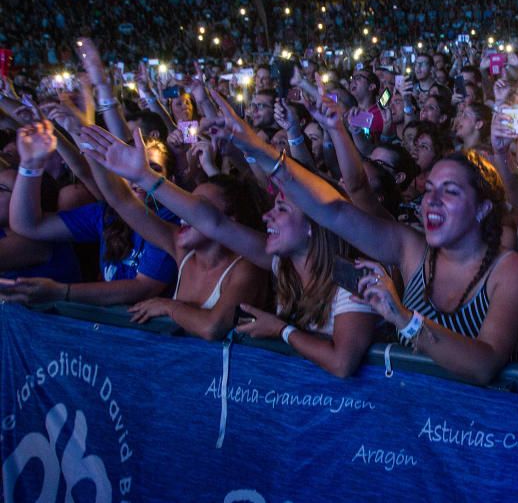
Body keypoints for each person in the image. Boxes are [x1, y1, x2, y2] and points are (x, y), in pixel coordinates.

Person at [216, 90, 518, 386]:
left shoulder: (510, 270)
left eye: (450, 191)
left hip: (477, 430)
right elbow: (334, 212)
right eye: (428, 190)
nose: (432, 200)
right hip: (408, 421)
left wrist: (403, 318)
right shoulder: (413, 251)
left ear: (483, 209)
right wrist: (259, 150)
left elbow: (485, 364)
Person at [79, 112, 377, 378]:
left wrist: (282, 331)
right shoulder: (283, 266)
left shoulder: (353, 278)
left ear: (314, 225)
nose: (267, 216)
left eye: (282, 210)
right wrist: (145, 178)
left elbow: (342, 363)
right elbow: (214, 224)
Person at [78, 128, 268, 340]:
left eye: (196, 208)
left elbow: (213, 327)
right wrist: (82, 132)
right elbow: (122, 201)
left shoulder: (246, 268)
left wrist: (170, 307)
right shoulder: (182, 250)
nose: (184, 215)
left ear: (231, 220)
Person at [7, 120, 177, 305]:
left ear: (171, 180)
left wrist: (62, 292)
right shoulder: (106, 215)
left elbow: (144, 288)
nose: (138, 176)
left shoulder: (172, 219)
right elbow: (29, 225)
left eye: (154, 168)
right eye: (130, 167)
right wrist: (31, 164)